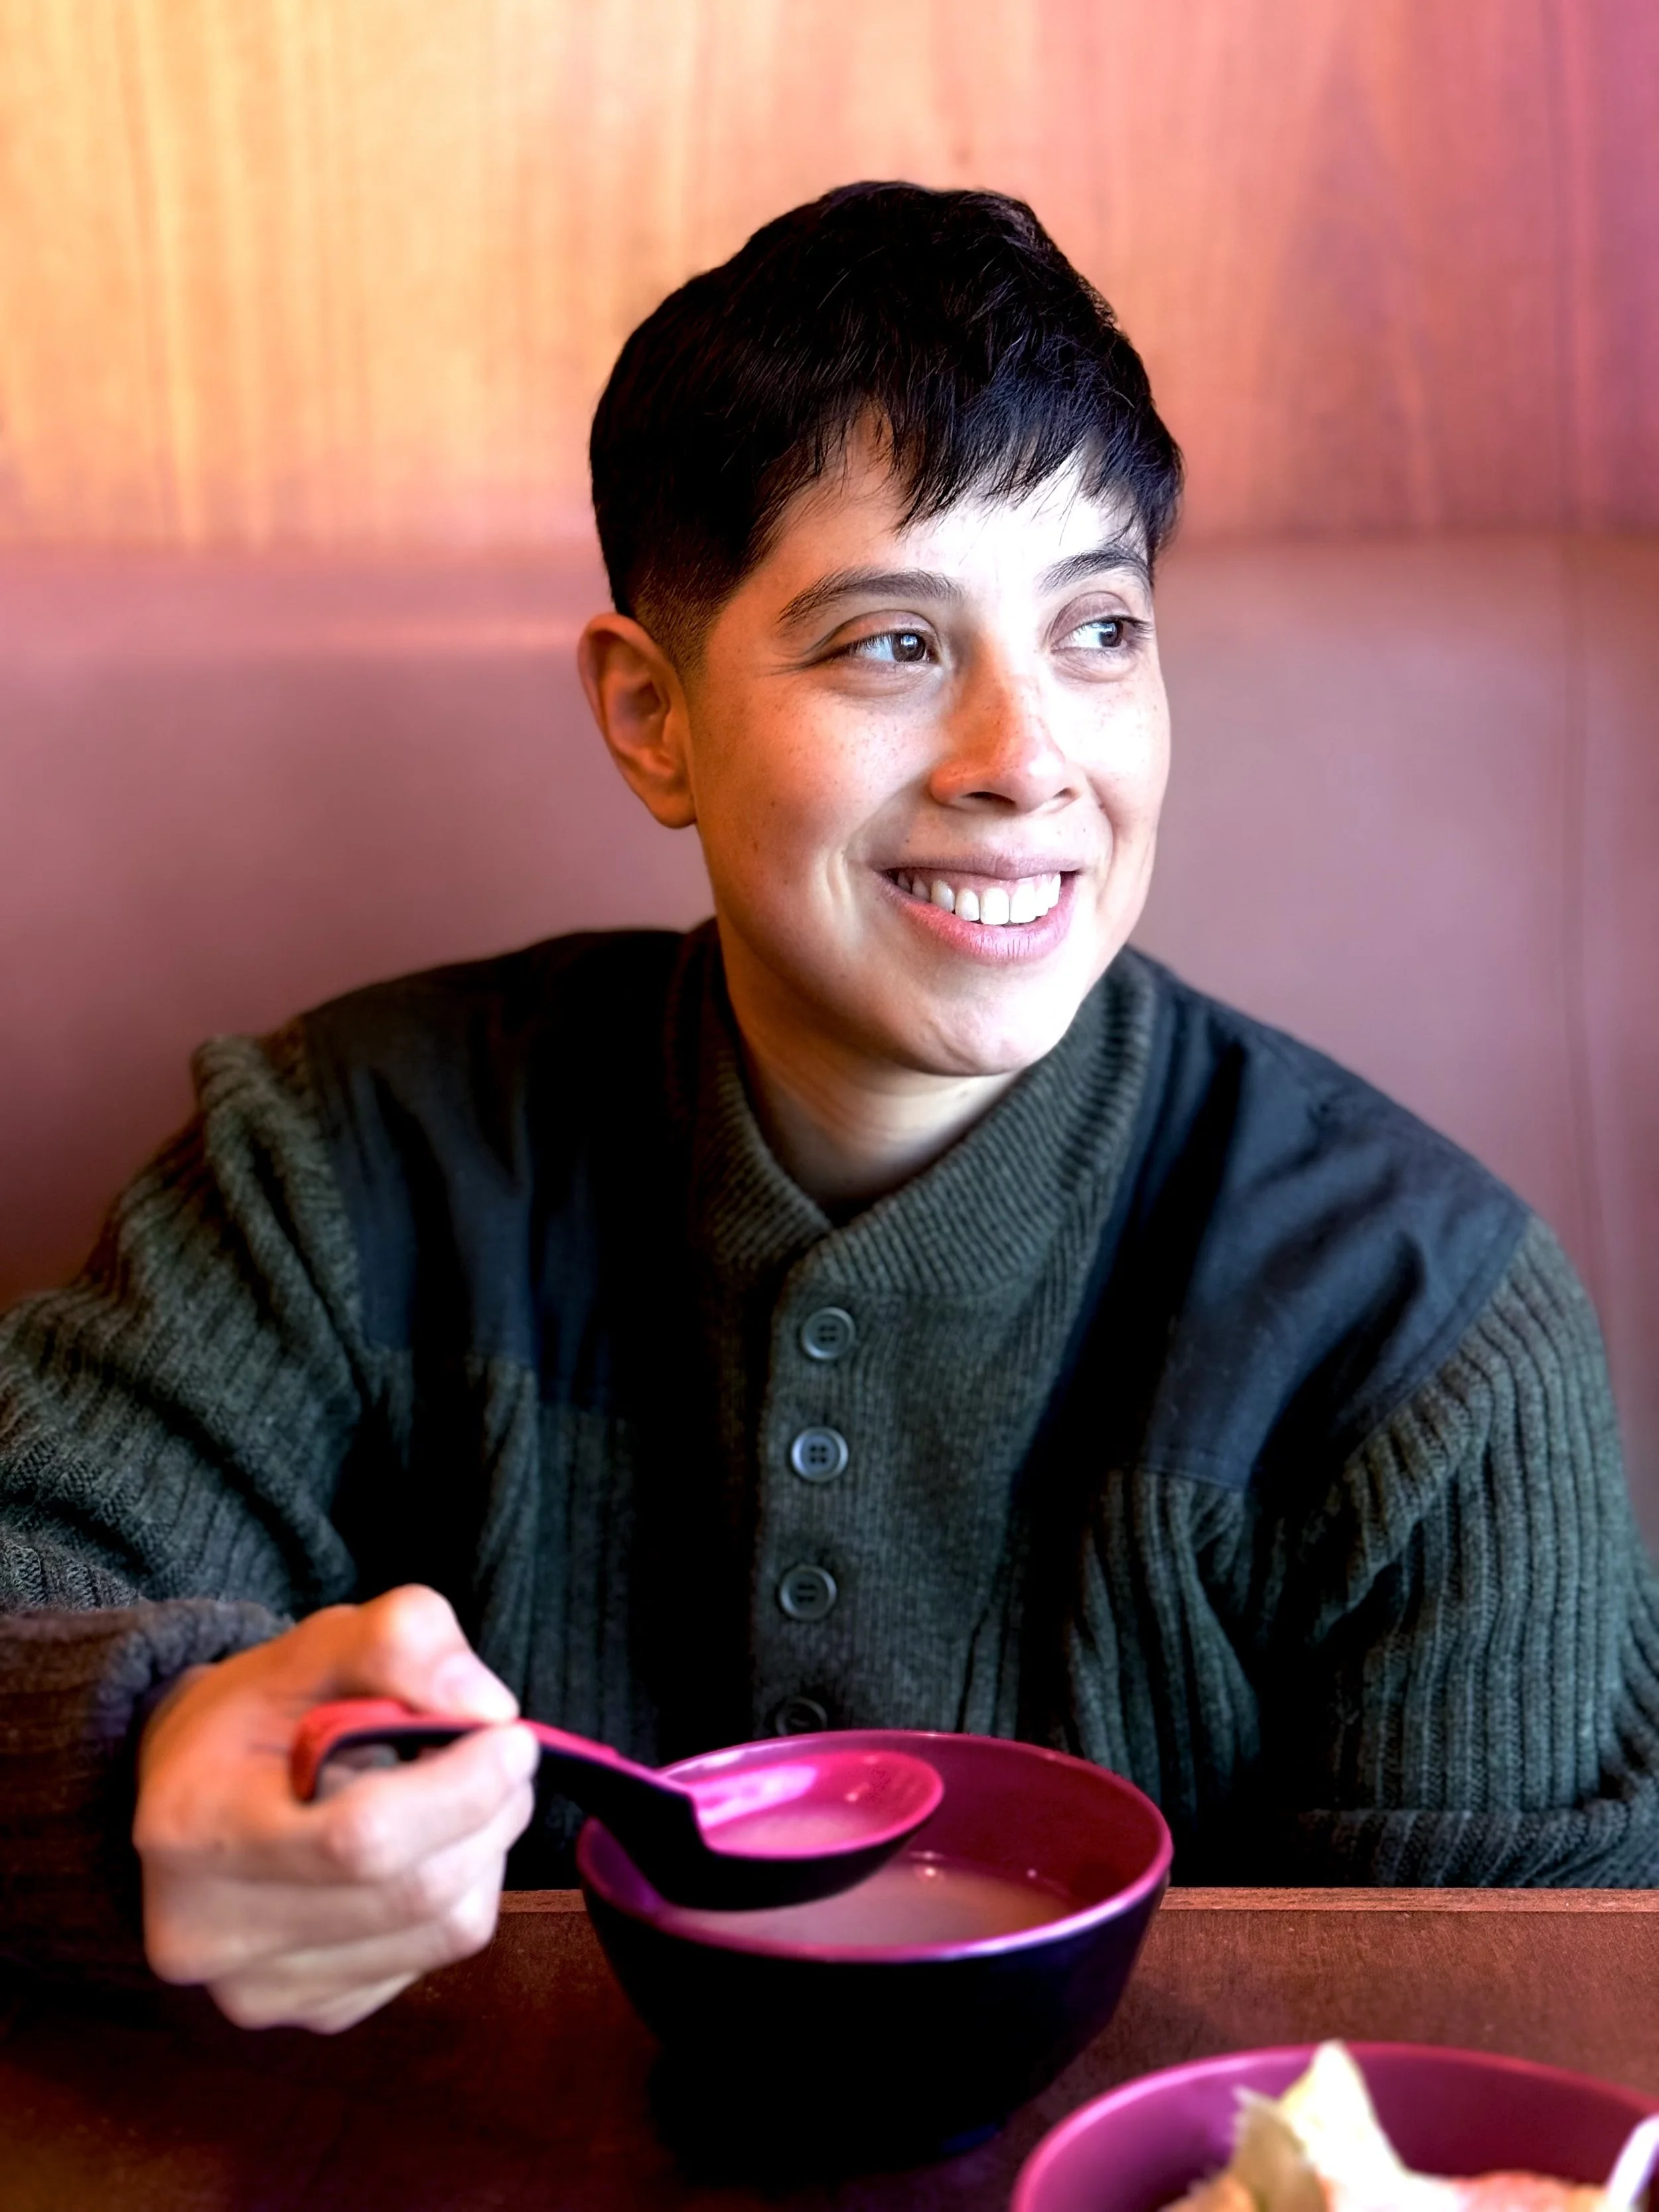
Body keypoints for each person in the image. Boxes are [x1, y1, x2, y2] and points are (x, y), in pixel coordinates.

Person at [3, 182, 1656, 2038]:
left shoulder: (1417, 1325)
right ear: (652, 719)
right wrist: (134, 1764)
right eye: (892, 643)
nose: (1026, 761)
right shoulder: (334, 1164)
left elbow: (1527, 2033)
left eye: (1098, 632)